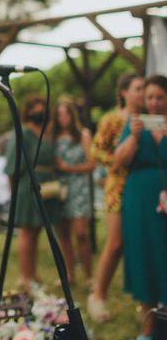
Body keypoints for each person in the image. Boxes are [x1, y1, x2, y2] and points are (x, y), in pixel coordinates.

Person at [88, 72, 145, 322]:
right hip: (118, 188)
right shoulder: (113, 119)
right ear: (124, 92)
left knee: (143, 243)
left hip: (144, 187)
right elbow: (96, 150)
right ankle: (97, 295)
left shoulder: (152, 119)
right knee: (116, 243)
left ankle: (147, 302)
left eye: (144, 88)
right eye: (138, 88)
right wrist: (117, 163)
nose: (142, 93)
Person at [115, 74, 167, 340]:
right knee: (144, 252)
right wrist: (134, 137)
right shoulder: (134, 124)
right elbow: (119, 160)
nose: (154, 103)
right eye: (149, 97)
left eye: (159, 97)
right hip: (140, 198)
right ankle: (148, 326)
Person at [5, 94, 62, 291]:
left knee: (37, 231)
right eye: (35, 106)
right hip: (26, 187)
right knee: (27, 232)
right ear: (27, 111)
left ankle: (33, 272)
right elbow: (12, 164)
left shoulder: (46, 132)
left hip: (45, 187)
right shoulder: (21, 132)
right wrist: (14, 192)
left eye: (42, 106)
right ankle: (25, 277)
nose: (40, 109)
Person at [51, 97, 95, 285]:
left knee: (81, 233)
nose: (63, 118)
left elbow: (91, 164)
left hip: (79, 188)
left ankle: (89, 276)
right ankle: (70, 274)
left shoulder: (83, 135)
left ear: (72, 114)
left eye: (66, 113)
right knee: (64, 234)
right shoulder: (52, 138)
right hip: (60, 189)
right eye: (59, 114)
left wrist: (68, 168)